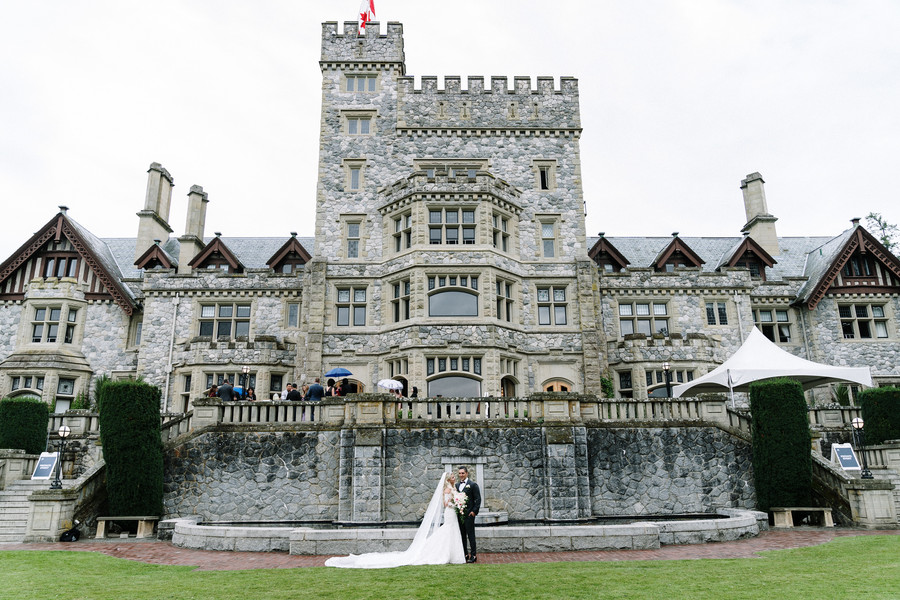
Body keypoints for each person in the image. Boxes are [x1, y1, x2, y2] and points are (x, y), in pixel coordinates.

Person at [325, 471, 465, 568]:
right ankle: (439, 553)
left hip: (453, 513)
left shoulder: (452, 488)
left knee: (450, 532)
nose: (454, 476)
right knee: (447, 531)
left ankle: (453, 555)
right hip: (450, 512)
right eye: (452, 475)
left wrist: (459, 502)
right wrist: (456, 503)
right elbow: (446, 504)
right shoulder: (447, 490)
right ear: (448, 479)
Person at [456, 465, 481, 563]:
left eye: (463, 473)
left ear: (466, 473)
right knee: (462, 535)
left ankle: (473, 555)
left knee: (471, 535)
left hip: (469, 515)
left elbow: (478, 499)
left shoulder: (473, 485)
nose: (461, 475)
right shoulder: (457, 485)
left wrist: (474, 512)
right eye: (460, 473)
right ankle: (465, 554)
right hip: (460, 515)